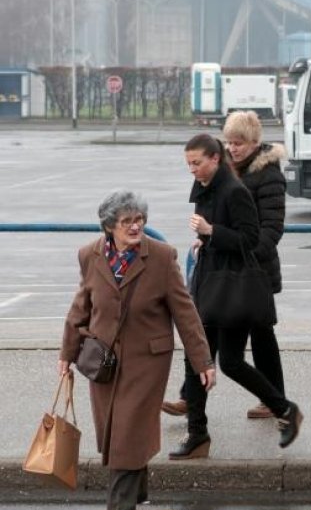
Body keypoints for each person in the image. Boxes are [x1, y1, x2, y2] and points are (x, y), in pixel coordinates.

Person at [58, 190, 216, 510]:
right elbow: (81, 308)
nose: (135, 226)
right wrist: (66, 354)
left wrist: (203, 361)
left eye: (139, 220)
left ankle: (120, 505)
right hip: (102, 361)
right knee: (116, 432)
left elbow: (185, 314)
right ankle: (140, 495)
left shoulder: (161, 256)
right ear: (109, 226)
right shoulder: (90, 255)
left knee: (127, 434)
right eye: (126, 221)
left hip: (147, 361)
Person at [170, 134, 302, 460]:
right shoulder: (207, 189)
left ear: (215, 159)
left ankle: (285, 408)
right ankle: (198, 434)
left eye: (197, 163)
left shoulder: (234, 190)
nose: (193, 170)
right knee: (196, 357)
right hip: (210, 281)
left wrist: (211, 232)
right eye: (189, 164)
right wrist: (206, 241)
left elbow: (250, 238)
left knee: (229, 361)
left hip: (230, 288)